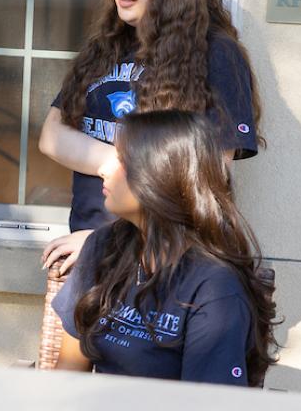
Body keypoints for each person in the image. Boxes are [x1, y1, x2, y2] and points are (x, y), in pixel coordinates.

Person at [38, 0, 262, 274]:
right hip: (87, 251)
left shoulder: (216, 54)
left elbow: (211, 174)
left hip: (160, 262)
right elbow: (52, 135)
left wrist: (106, 236)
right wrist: (116, 163)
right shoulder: (106, 47)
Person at [52, 110, 278, 385]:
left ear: (160, 175)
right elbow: (68, 370)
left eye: (121, 160)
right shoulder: (102, 247)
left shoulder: (214, 288)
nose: (104, 169)